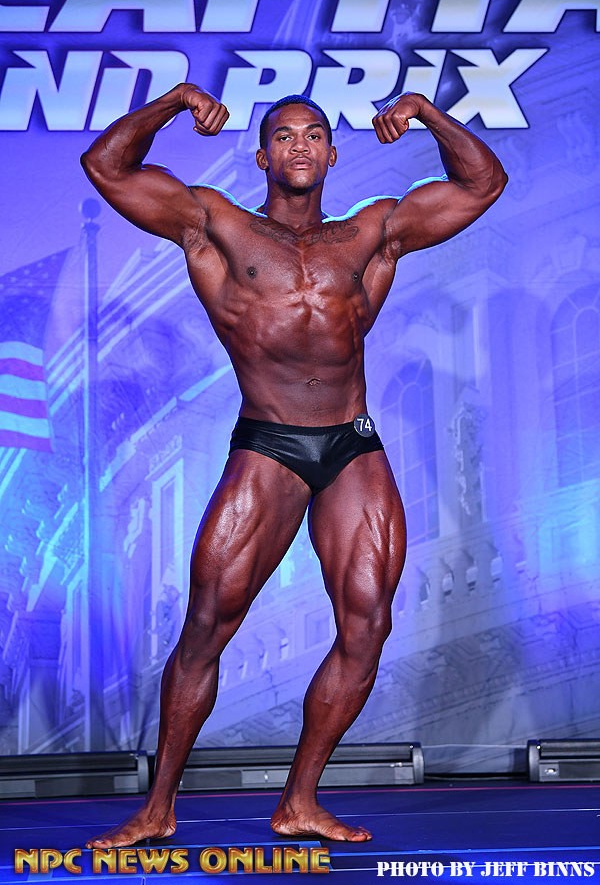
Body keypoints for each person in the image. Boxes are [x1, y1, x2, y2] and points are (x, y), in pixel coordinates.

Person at [81, 84, 507, 847]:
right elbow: (107, 167)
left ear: (333, 154)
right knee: (207, 625)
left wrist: (425, 111)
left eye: (314, 134)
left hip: (351, 444)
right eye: (284, 136)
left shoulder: (373, 232)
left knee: (368, 625)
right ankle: (157, 807)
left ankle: (299, 801)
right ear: (262, 157)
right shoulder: (216, 225)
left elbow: (483, 183)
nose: (300, 146)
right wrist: (174, 101)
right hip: (269, 444)